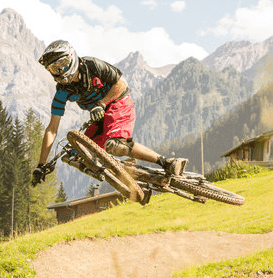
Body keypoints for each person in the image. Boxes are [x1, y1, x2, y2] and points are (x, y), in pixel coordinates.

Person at [31, 40, 186, 187]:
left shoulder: (92, 65)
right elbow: (52, 129)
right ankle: (126, 173)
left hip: (118, 103)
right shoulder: (62, 92)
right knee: (78, 153)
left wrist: (102, 104)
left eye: (62, 65)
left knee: (114, 145)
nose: (60, 71)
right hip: (99, 116)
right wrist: (41, 165)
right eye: (54, 68)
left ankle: (167, 162)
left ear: (71, 58)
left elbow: (121, 84)